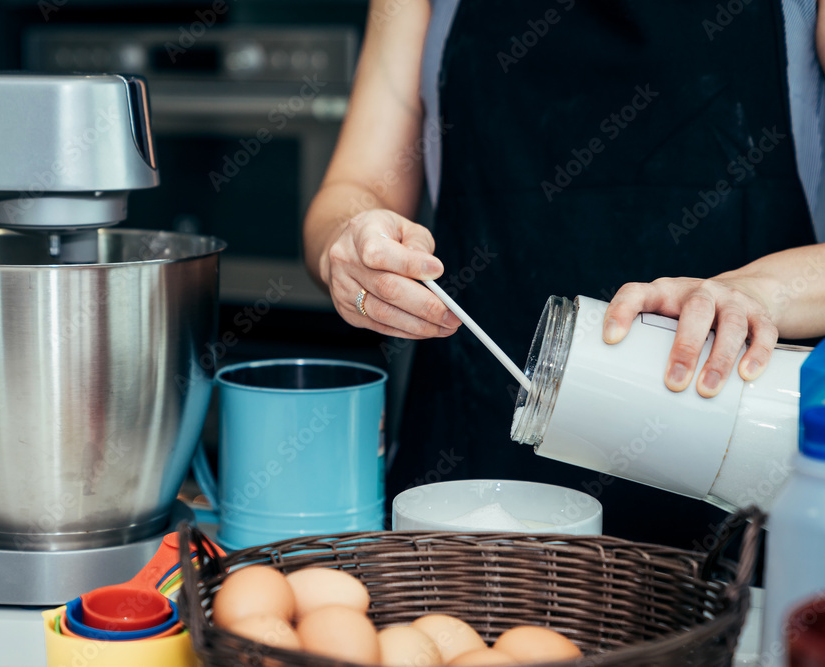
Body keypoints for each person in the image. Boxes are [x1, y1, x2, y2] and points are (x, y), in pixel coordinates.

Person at [303, 0, 825, 546]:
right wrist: (348, 241)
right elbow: (356, 186)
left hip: (739, 487)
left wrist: (760, 290)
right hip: (470, 481)